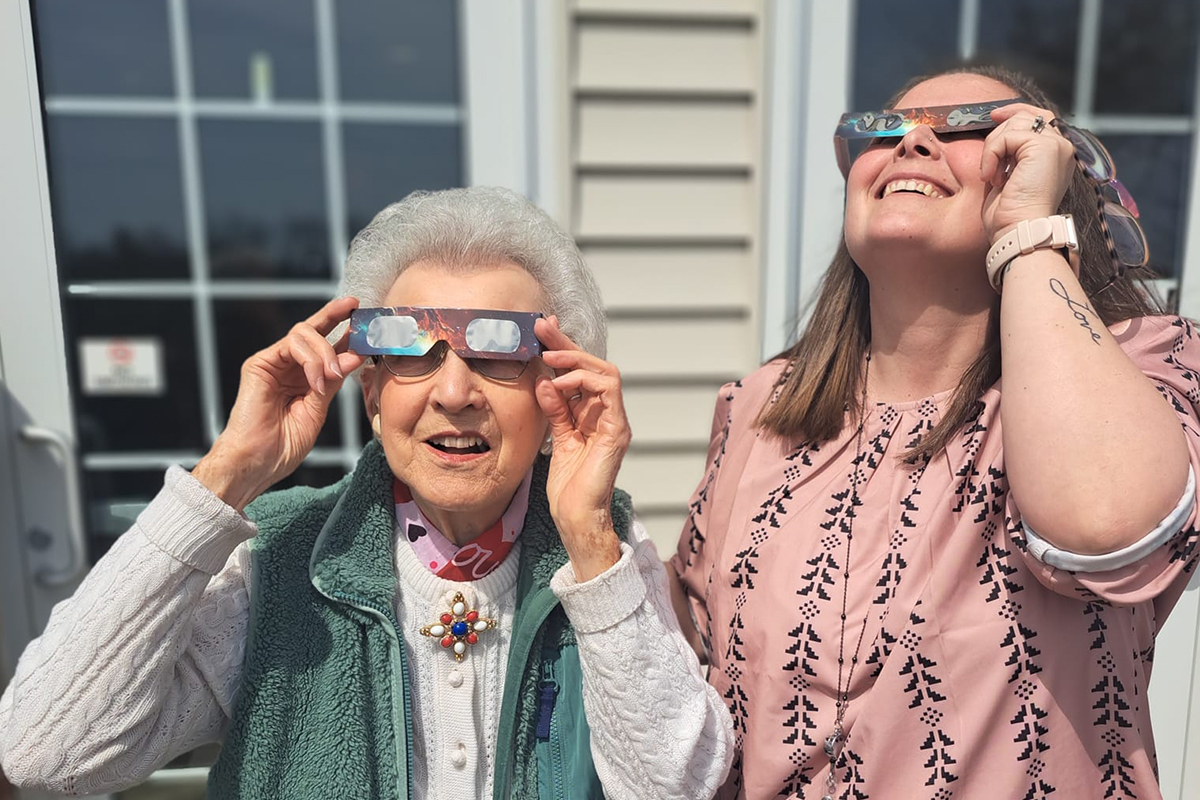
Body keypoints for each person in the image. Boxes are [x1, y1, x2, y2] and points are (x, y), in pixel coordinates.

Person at [0, 187, 733, 799]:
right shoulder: (282, 561)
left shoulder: (603, 556)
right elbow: (44, 750)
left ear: (556, 393)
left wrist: (591, 541)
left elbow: (680, 786)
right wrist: (226, 475)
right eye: (414, 354)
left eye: (497, 354)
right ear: (373, 391)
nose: (453, 392)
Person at [670, 64, 1200, 799]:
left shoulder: (1146, 362)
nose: (913, 143)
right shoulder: (760, 407)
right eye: (884, 132)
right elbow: (692, 680)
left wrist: (1027, 232)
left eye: (972, 129)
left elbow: (1105, 521)